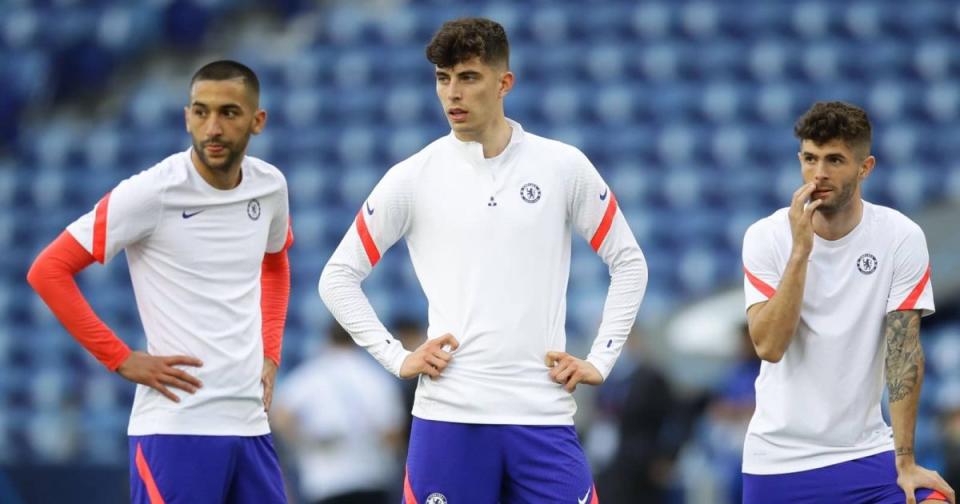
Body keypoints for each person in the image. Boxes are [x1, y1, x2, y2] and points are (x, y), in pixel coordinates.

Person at [319, 17, 647, 503]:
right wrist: (396, 356)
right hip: (449, 417)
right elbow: (337, 277)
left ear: (503, 83)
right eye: (442, 78)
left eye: (468, 77)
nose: (453, 93)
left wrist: (602, 358)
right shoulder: (413, 177)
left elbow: (629, 262)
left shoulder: (562, 166)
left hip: (542, 416)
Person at [27, 60, 292, 504]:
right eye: (201, 111)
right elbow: (48, 270)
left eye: (228, 112)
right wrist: (121, 358)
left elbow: (276, 262)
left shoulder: (270, 186)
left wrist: (271, 352)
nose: (213, 127)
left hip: (249, 423)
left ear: (257, 120)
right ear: (186, 116)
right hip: (177, 428)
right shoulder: (152, 192)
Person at [740, 101, 955, 504]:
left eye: (834, 159)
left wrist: (905, 460)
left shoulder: (899, 236)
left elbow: (903, 352)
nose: (819, 173)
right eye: (810, 158)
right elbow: (768, 346)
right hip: (779, 462)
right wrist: (801, 252)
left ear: (865, 167)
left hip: (866, 454)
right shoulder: (765, 237)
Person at [271, 321, 406, 504]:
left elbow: (280, 416)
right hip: (372, 481)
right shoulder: (376, 377)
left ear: (327, 339)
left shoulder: (312, 374)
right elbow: (393, 436)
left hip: (326, 482)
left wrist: (307, 440)